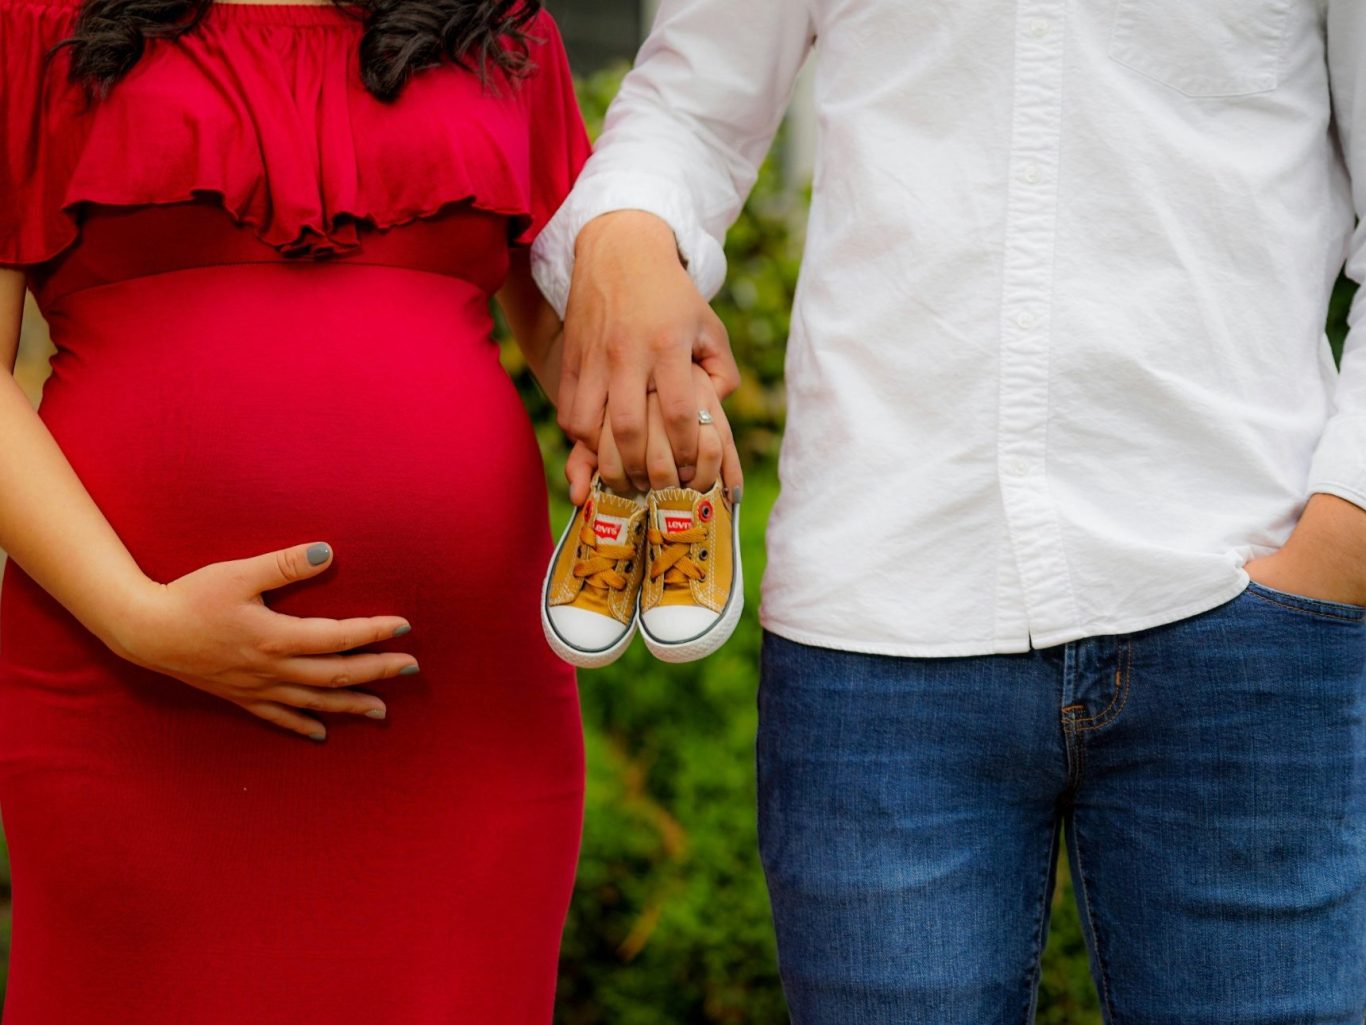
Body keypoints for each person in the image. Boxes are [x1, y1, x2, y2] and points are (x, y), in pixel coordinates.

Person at [532, 1, 1366, 1021]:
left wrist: (1343, 538)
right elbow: (691, 110)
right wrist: (625, 233)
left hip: (1243, 604)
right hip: (876, 618)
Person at [0, 0, 592, 1020]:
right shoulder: (37, 22)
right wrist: (138, 618)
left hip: (455, 718)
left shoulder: (503, 28)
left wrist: (644, 398)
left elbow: (567, 337)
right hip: (131, 703)